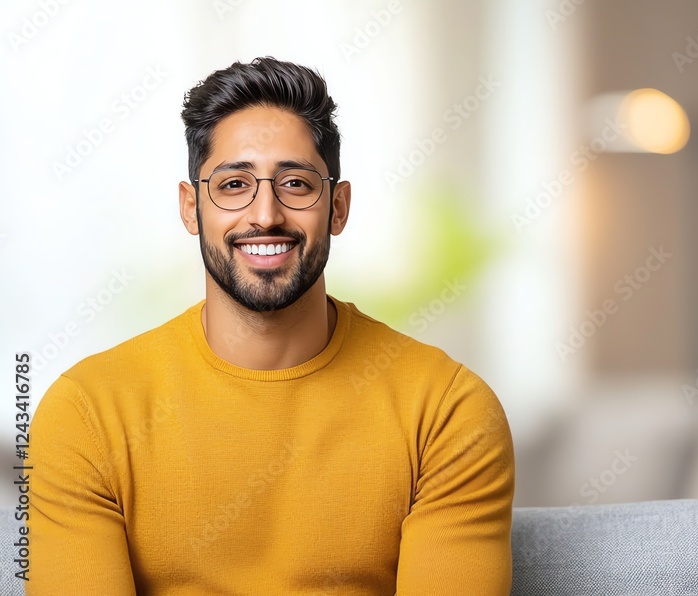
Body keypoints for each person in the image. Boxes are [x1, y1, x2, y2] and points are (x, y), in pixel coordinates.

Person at [26, 56, 515, 595]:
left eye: (297, 184)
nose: (265, 214)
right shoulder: (86, 413)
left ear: (339, 207)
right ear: (191, 209)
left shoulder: (447, 411)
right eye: (234, 184)